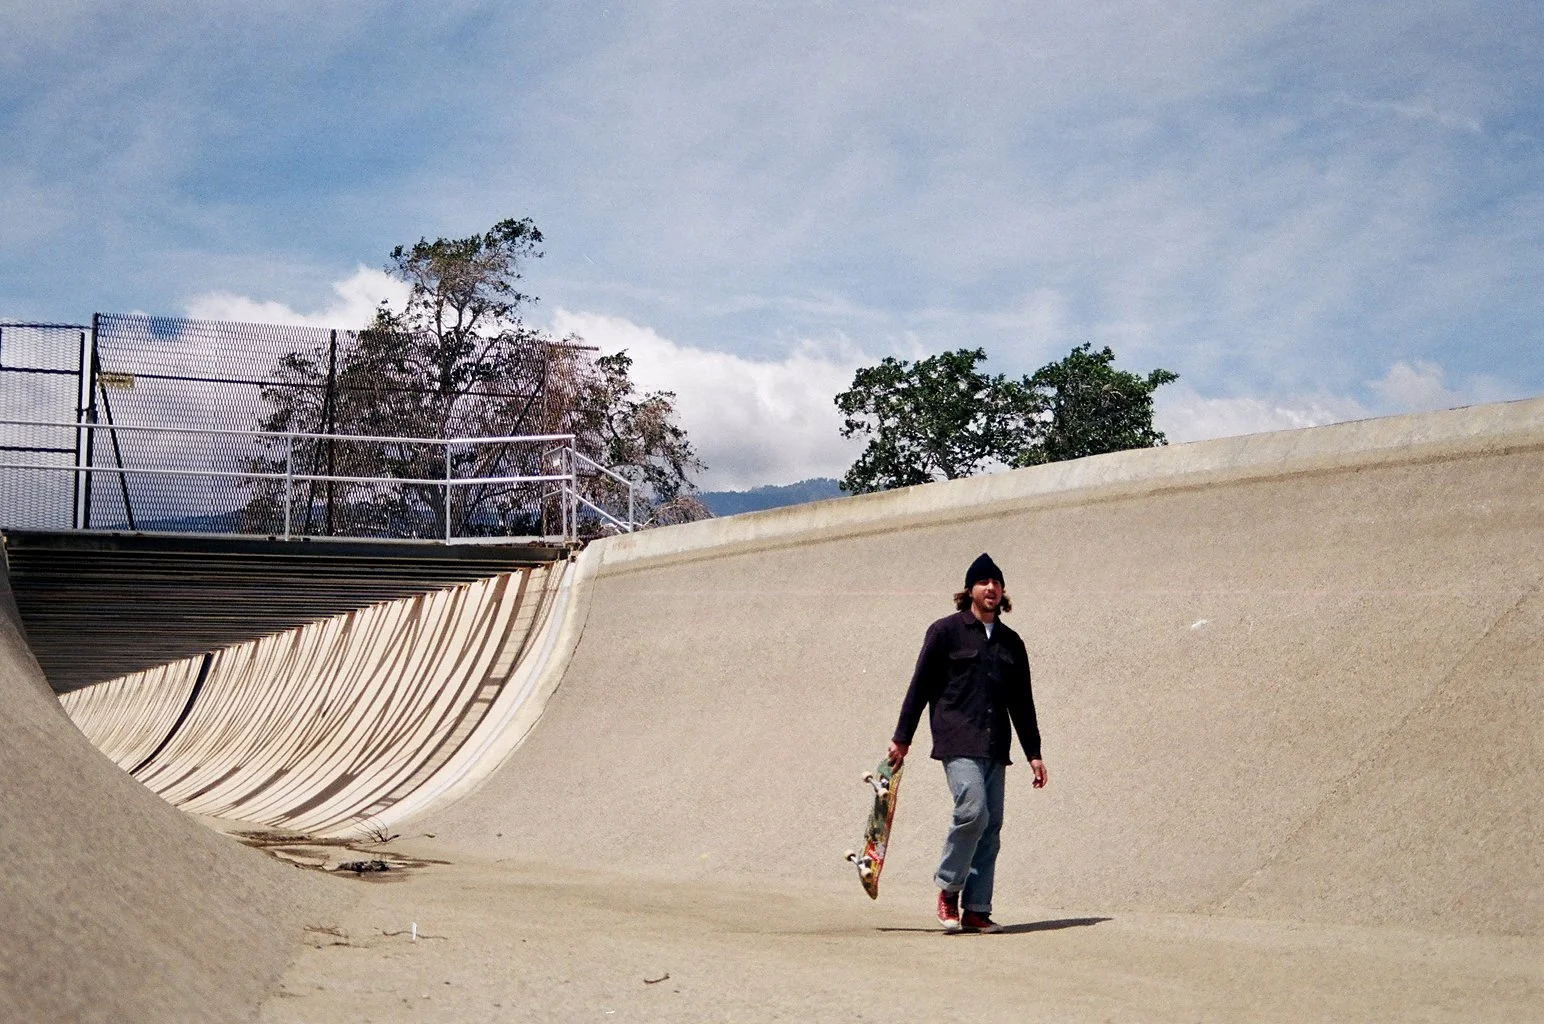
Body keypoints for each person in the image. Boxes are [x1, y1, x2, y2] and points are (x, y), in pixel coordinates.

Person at [888, 552, 1047, 933]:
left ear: (1003, 591)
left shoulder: (1011, 642)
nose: (991, 588)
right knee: (972, 811)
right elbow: (920, 687)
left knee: (991, 826)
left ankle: (977, 908)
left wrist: (1034, 753)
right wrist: (902, 738)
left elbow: (1022, 702)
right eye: (983, 582)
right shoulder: (945, 632)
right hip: (957, 737)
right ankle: (948, 888)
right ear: (969, 590)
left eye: (996, 583)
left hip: (996, 744)